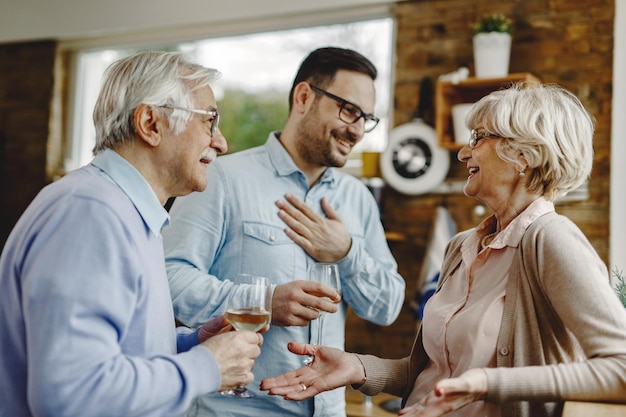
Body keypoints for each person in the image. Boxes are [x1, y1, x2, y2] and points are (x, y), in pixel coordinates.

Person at [260, 82, 626, 417]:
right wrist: (358, 366)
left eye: (479, 137)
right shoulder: (461, 246)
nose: (464, 152)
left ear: (523, 155)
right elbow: (435, 373)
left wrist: (486, 384)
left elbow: (620, 367)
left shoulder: (550, 238)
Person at [0, 51, 265, 417]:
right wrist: (207, 367)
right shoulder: (92, 215)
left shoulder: (125, 212)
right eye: (210, 121)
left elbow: (117, 351)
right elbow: (71, 393)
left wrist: (190, 345)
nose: (221, 142)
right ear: (150, 123)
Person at [162, 46, 406, 416]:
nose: (357, 129)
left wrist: (346, 253)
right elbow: (168, 279)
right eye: (349, 111)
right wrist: (262, 303)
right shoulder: (222, 179)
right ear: (304, 97)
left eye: (367, 118)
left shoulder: (358, 199)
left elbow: (387, 308)